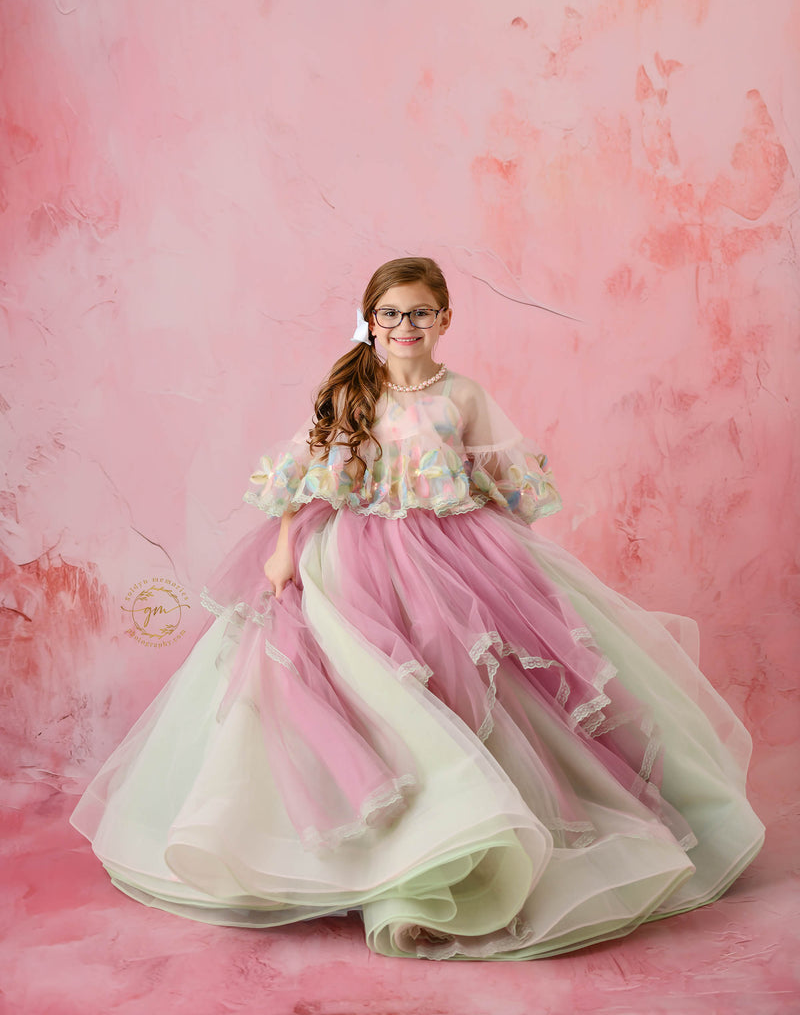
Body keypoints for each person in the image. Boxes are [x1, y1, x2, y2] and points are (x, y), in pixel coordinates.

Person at [69, 256, 765, 960]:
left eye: (421, 314)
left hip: (450, 548)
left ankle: (481, 835)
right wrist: (283, 552)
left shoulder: (460, 395)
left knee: (455, 658)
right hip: (351, 550)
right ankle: (364, 846)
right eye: (392, 314)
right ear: (371, 320)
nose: (406, 326)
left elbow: (509, 488)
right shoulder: (350, 391)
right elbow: (310, 484)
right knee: (354, 675)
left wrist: (509, 568)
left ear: (445, 319)